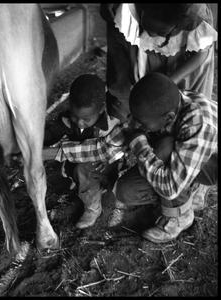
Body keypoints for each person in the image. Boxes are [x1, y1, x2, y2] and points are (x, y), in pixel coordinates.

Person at [52, 73, 217, 243]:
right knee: (126, 191)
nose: (136, 124)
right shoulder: (157, 108)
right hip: (192, 155)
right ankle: (190, 183)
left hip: (211, 166)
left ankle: (181, 216)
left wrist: (139, 144)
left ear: (169, 117)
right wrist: (51, 153)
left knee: (167, 145)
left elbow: (170, 188)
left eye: (142, 123)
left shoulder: (199, 125)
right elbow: (105, 148)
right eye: (134, 118)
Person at [100, 3, 217, 122]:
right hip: (133, 48)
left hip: (182, 61)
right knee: (125, 107)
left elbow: (201, 53)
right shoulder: (124, 12)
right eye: (146, 26)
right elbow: (119, 70)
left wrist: (167, 85)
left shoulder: (194, 15)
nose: (151, 35)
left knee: (178, 111)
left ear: (179, 26)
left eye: (161, 32)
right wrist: (126, 101)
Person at [43, 74, 123, 229]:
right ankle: (88, 191)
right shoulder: (68, 119)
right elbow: (52, 134)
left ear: (100, 110)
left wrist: (109, 161)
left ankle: (93, 208)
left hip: (105, 168)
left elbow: (118, 152)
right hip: (81, 167)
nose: (79, 122)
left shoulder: (110, 125)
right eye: (75, 116)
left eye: (86, 119)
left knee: (84, 168)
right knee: (79, 169)